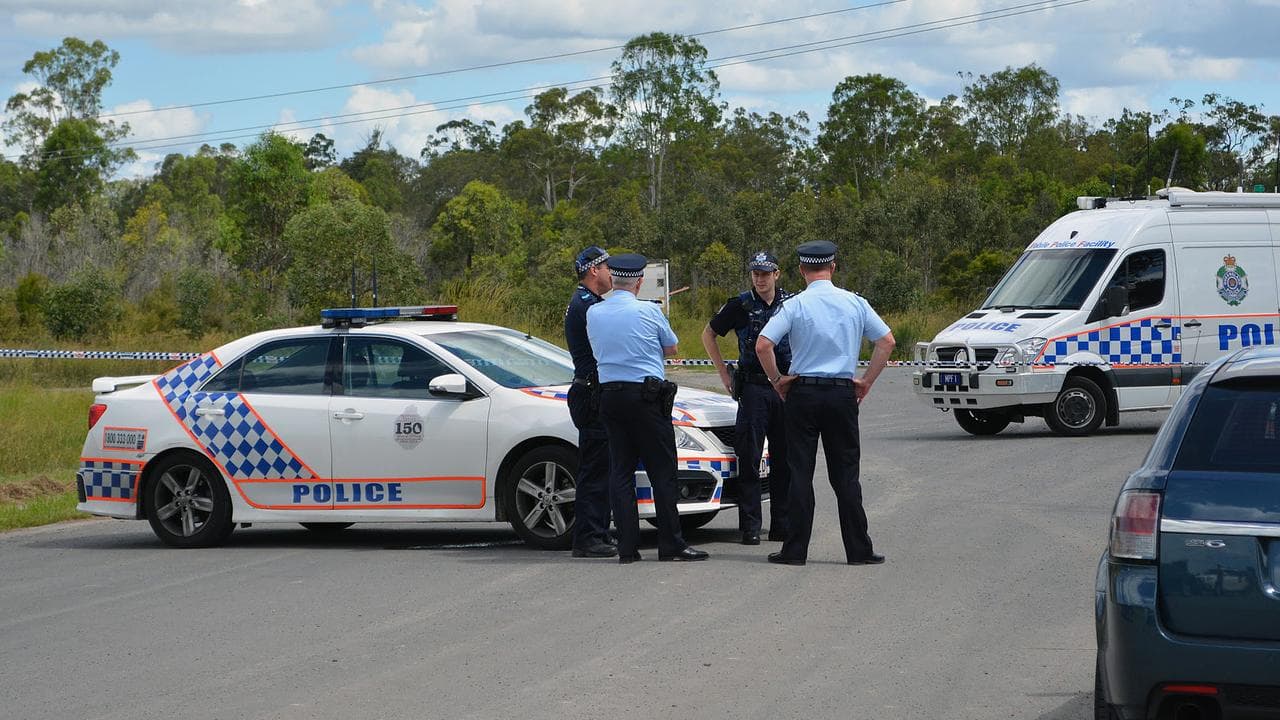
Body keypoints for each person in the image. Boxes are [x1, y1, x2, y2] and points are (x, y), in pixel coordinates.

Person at [755, 240, 896, 566]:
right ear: (832, 267)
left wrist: (778, 381)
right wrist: (866, 381)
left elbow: (763, 345)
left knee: (800, 473)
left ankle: (795, 550)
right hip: (841, 393)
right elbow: (886, 342)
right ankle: (859, 550)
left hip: (802, 394)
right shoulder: (855, 303)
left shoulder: (795, 305)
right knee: (846, 475)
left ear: (802, 270)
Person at [586, 253, 709, 564]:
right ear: (639, 282)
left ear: (612, 280)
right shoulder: (649, 312)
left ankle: (627, 547)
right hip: (646, 398)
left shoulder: (595, 313)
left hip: (610, 397)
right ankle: (671, 544)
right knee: (662, 472)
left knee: (621, 472)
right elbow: (672, 348)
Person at [700, 251, 794, 546]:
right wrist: (724, 376)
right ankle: (751, 526)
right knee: (749, 460)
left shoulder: (791, 303)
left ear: (777, 274)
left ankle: (781, 524)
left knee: (785, 460)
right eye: (755, 273)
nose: (760, 279)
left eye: (765, 273)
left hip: (784, 389)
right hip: (753, 389)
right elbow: (709, 334)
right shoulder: (739, 304)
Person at [563, 246, 617, 559]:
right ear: (593, 269)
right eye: (607, 267)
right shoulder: (587, 305)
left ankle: (597, 531)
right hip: (592, 393)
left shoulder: (591, 303)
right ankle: (588, 537)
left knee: (601, 467)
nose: (611, 273)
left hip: (594, 391)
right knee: (595, 471)